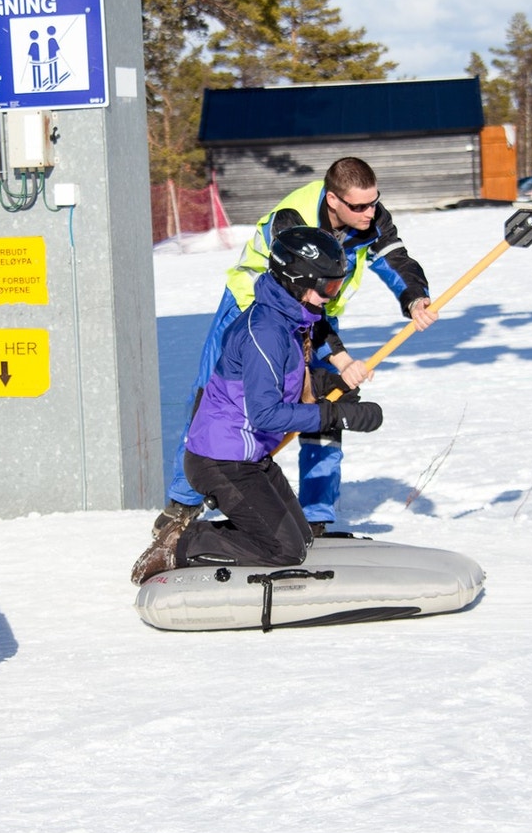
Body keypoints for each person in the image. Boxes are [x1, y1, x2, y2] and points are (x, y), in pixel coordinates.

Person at [150, 156, 437, 547]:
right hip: (254, 312)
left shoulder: (369, 217)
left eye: (374, 202)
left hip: (314, 315)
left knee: (329, 399)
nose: (371, 213)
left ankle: (316, 516)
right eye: (359, 206)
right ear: (333, 200)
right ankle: (182, 506)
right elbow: (288, 300)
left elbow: (393, 259)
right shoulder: (294, 219)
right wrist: (339, 355)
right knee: (214, 404)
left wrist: (416, 299)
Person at [132, 226, 384, 583]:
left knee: (302, 538)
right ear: (297, 281)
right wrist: (336, 415)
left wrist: (334, 384)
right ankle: (180, 544)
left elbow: (288, 384)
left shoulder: (290, 320)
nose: (333, 295)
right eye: (328, 287)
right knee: (285, 550)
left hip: (249, 458)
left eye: (338, 285)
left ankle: (246, 530)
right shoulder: (265, 331)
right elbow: (266, 414)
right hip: (221, 461)